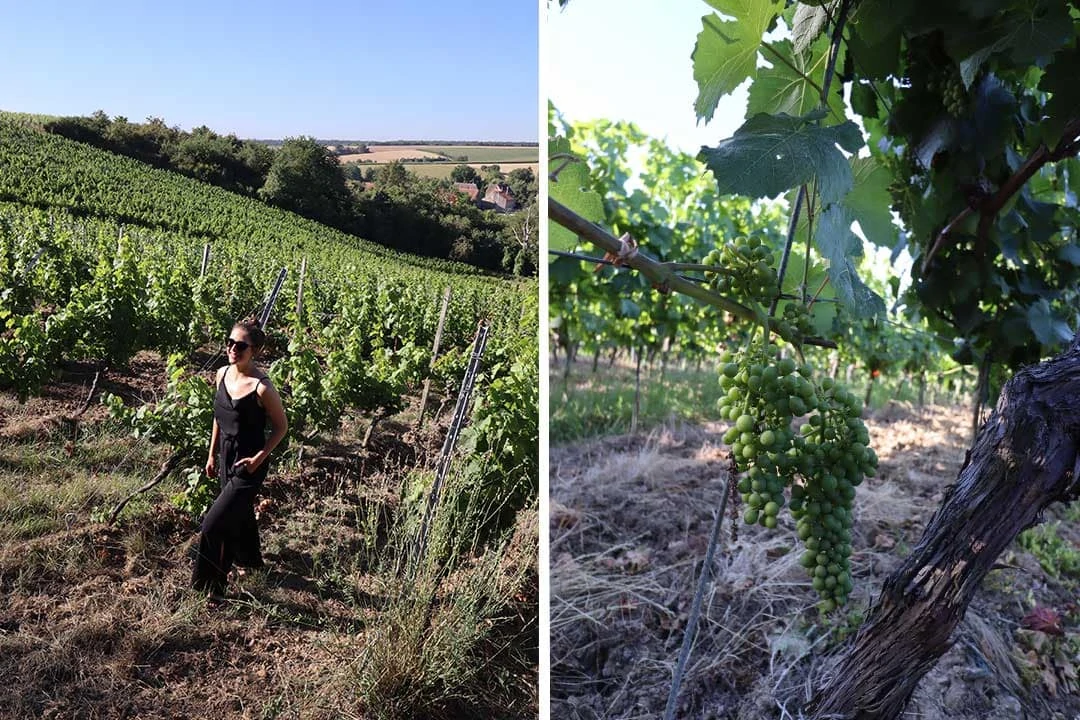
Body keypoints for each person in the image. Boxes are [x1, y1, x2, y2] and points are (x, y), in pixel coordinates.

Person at [192, 319, 288, 602]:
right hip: (225, 457)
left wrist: (259, 458)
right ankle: (252, 562)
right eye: (230, 342)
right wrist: (211, 454)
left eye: (241, 346)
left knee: (212, 524)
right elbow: (218, 416)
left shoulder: (262, 388)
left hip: (249, 464)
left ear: (255, 351)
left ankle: (209, 588)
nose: (233, 349)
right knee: (239, 515)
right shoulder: (222, 374)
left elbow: (282, 427)